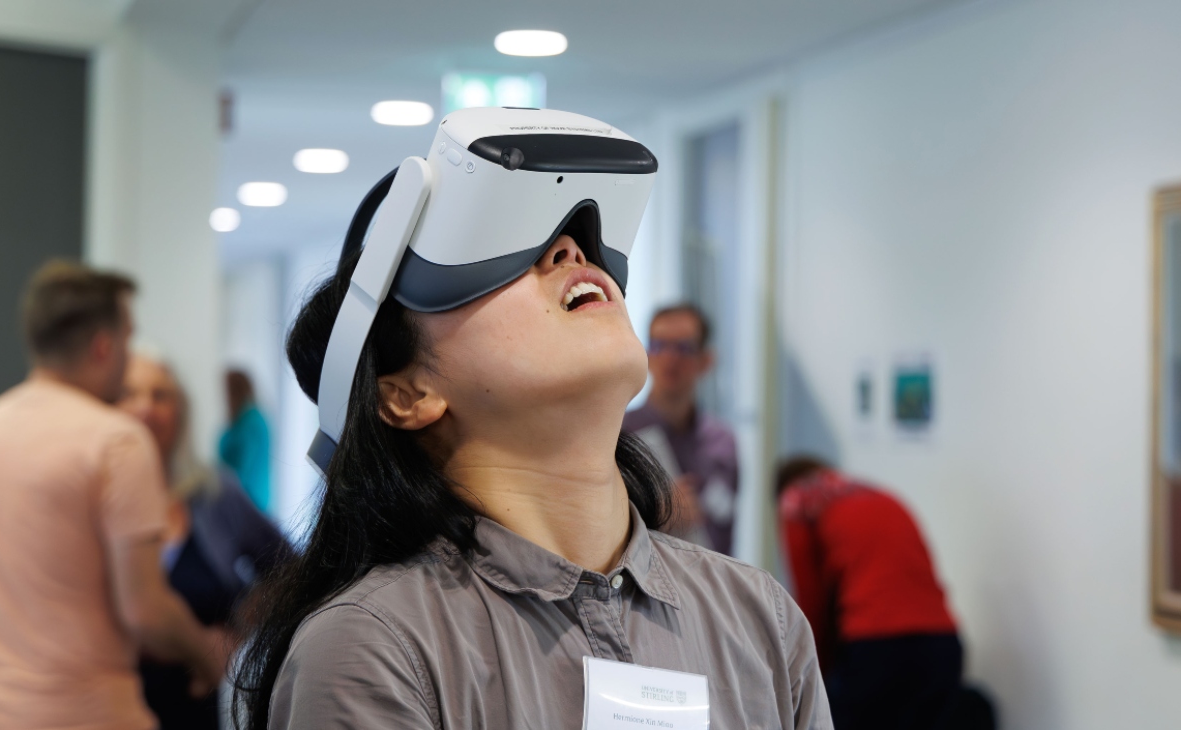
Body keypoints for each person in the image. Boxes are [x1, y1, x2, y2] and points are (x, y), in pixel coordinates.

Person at [235, 106, 831, 729]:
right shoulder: (374, 648)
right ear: (407, 395)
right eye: (494, 253)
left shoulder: (759, 616)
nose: (572, 249)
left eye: (574, 239)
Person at [0, 261, 230, 730]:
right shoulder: (115, 441)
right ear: (103, 346)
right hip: (86, 715)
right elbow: (145, 610)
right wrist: (207, 655)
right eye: (128, 338)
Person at [119, 351, 292, 730]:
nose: (145, 408)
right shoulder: (85, 501)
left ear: (180, 410)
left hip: (199, 710)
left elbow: (289, 566)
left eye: (159, 396)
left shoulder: (215, 494)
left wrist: (240, 630)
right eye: (128, 394)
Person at [776, 455, 962, 730]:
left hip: (875, 649)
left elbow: (810, 604)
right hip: (942, 644)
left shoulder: (796, 500)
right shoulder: (878, 493)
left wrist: (815, 677)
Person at [622, 303, 739, 555]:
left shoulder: (722, 442)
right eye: (659, 345)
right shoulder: (620, 434)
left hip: (709, 583)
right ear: (647, 355)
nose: (670, 358)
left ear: (706, 361)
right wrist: (654, 513)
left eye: (683, 347)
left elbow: (726, 526)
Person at [219, 369, 272, 513]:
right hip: (243, 501)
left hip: (248, 503)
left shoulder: (251, 422)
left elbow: (244, 469)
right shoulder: (242, 419)